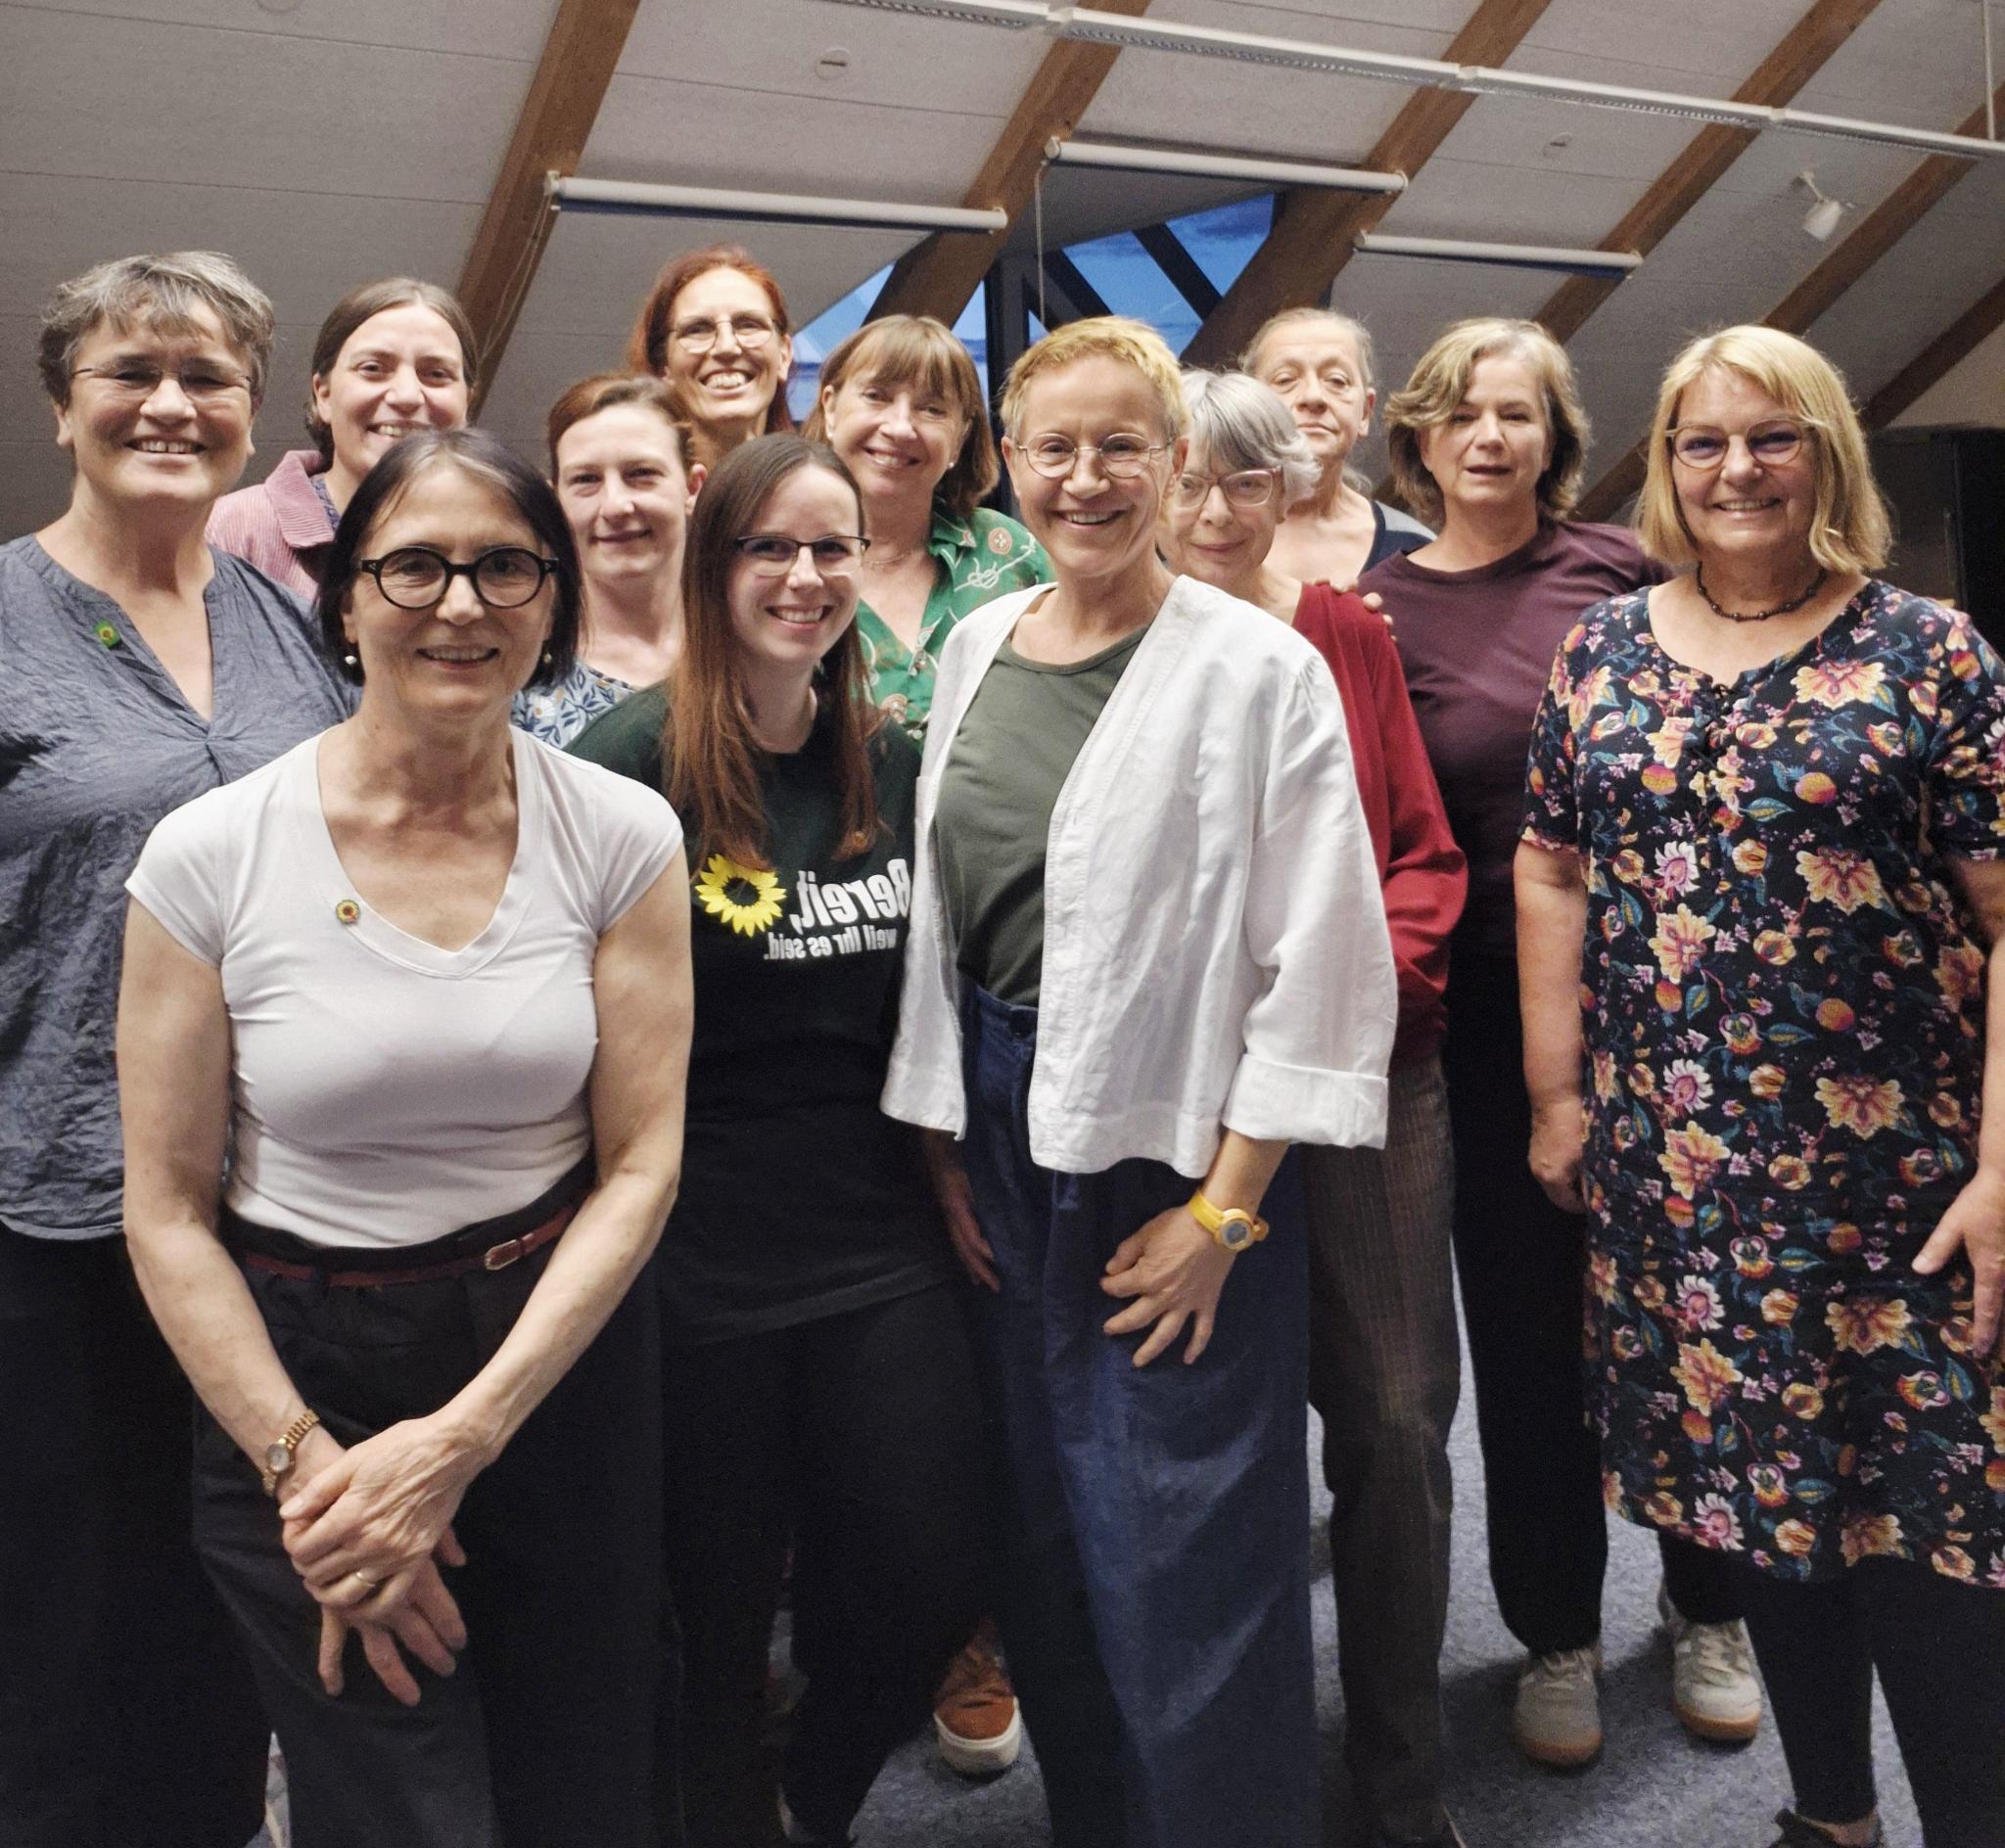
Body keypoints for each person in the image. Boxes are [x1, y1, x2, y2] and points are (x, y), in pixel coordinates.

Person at [119, 427, 692, 1848]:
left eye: (506, 567)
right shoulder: (211, 853)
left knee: (582, 1785)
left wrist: (459, 1445)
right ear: (348, 600)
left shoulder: (621, 835)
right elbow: (167, 1212)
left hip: (547, 1356)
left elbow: (641, 1164)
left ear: (553, 601)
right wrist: (323, 1478)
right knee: (403, 1810)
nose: (461, 604)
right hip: (300, 1381)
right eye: (416, 566)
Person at [884, 316, 1398, 1848]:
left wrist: (1225, 1218)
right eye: (1056, 448)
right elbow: (943, 915)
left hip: (1175, 1155)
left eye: (1123, 447)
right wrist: (944, 1149)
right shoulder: (978, 644)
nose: (1087, 478)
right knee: (1043, 1537)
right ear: (1013, 468)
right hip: (996, 1115)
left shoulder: (1258, 668)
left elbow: (1320, 968)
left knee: (1185, 1550)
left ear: (1177, 467)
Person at [1517, 324, 2005, 1848]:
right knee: (1770, 1509)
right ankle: (1832, 1817)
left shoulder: (1934, 651)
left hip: (1905, 1189)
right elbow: (1549, 867)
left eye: (1771, 437)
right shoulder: (1602, 648)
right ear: (1665, 463)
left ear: (1827, 454)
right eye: (1703, 441)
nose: (1738, 470)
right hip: (1687, 1186)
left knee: (1935, 1535)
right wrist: (1557, 1097)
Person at [570, 435, 987, 1848]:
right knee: (719, 1604)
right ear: (714, 566)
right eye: (771, 549)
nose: (806, 578)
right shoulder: (626, 767)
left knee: (933, 1559)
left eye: (834, 549)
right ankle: (737, 1815)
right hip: (691, 1248)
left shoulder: (892, 755)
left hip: (875, 1225)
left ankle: (811, 1797)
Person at [1366, 315, 1759, 1768]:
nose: (1489, 438)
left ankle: (1711, 1606)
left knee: (1680, 1323)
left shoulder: (1627, 574)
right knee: (1530, 1342)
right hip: (1477, 1027)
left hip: (1663, 1014)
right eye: (1462, 415)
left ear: (1557, 439)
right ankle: (1557, 1636)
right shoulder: (1380, 608)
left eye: (1518, 415)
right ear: (1418, 440)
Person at [0, 249, 351, 1848]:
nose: (170, 403)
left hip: (262, 1214)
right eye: (132, 371)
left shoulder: (284, 625)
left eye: (208, 377)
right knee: (64, 1640)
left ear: (250, 416)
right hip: (51, 1208)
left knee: (229, 1611)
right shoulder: (6, 617)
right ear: (64, 401)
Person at [1156, 367, 1468, 1848]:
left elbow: (1418, 852)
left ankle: (1401, 1781)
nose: (1216, 514)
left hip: (1359, 1082)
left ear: (1294, 491)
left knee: (1400, 1427)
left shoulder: (1344, 630)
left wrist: (1360, 997)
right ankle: (1241, 1779)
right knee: (1212, 1442)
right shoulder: (1106, 641)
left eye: (1249, 483)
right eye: (1189, 480)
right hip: (1178, 1106)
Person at [804, 312, 1047, 745]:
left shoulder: (1010, 554)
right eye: (876, 397)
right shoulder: (781, 558)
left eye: (931, 409)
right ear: (830, 408)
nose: (900, 427)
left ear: (961, 436)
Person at [208, 277, 476, 594]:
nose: (407, 395)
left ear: (467, 402)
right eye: (373, 368)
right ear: (324, 394)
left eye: (436, 374)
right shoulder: (230, 531)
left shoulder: (507, 534)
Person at [515, 373, 702, 748]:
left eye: (642, 474)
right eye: (586, 479)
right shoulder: (518, 671)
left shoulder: (752, 649)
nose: (615, 505)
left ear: (692, 487)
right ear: (556, 502)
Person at [1244, 305, 1431, 587]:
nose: (1313, 397)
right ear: (1246, 406)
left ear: (1365, 413)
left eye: (1336, 381)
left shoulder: (1415, 552)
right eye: (1285, 380)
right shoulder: (1202, 538)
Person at [628, 244, 795, 470]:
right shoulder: (629, 502)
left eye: (748, 325)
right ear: (663, 366)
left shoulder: (822, 494)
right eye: (698, 329)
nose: (726, 347)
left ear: (784, 355)